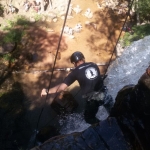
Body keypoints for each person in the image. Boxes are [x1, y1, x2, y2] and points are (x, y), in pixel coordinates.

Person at [41, 51, 107, 124]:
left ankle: (104, 126)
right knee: (111, 109)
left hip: (93, 99)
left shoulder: (75, 72)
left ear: (74, 63)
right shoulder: (93, 64)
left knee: (88, 118)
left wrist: (46, 91)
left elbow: (61, 88)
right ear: (83, 59)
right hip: (104, 92)